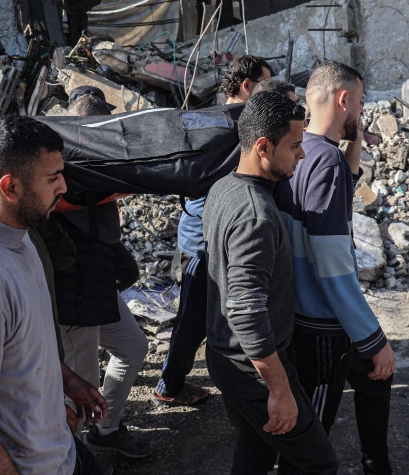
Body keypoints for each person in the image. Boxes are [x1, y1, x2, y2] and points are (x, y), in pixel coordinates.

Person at [0, 116, 107, 474]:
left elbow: (23, 347)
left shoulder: (21, 236)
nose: (63, 186)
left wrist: (66, 381)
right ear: (10, 187)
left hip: (60, 454)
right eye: (52, 178)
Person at [205, 91, 338, 474]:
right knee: (319, 462)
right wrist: (280, 391)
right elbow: (245, 311)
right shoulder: (255, 216)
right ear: (263, 146)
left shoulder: (223, 188)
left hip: (226, 357)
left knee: (255, 451)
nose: (302, 154)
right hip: (253, 371)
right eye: (295, 145)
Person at [276, 61, 395, 475]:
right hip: (322, 324)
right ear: (344, 100)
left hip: (300, 313)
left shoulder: (300, 150)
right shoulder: (325, 163)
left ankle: (376, 462)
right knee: (312, 437)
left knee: (369, 384)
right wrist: (373, 337)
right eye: (359, 103)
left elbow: (333, 187)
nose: (360, 112)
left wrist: (352, 144)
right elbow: (333, 266)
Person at [151, 56, 271, 407]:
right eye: (263, 85)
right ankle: (168, 386)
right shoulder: (222, 126)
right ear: (247, 86)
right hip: (203, 241)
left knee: (220, 312)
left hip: (217, 235)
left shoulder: (216, 123)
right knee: (192, 319)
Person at [52, 94, 150, 458]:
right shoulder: (69, 171)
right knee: (79, 386)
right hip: (74, 297)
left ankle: (106, 429)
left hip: (95, 286)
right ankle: (70, 456)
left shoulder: (92, 169)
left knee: (132, 347)